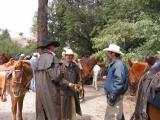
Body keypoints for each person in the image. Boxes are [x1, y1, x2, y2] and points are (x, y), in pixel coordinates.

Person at [35, 38, 75, 120]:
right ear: (50, 47)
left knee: (42, 115)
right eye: (53, 46)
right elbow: (56, 77)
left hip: (40, 92)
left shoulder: (39, 58)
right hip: (50, 91)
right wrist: (61, 73)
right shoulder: (52, 58)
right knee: (54, 115)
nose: (54, 48)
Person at [103, 44, 128, 120]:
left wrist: (113, 95)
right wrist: (108, 78)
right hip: (114, 95)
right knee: (117, 115)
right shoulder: (115, 64)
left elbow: (119, 81)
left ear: (113, 54)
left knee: (112, 117)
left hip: (115, 96)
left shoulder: (118, 64)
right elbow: (116, 78)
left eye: (108, 52)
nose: (107, 54)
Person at [60, 49, 82, 120]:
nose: (69, 57)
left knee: (72, 112)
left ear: (73, 57)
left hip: (72, 92)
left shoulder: (75, 66)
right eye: (68, 55)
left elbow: (78, 78)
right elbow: (58, 79)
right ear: (65, 56)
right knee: (63, 111)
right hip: (63, 92)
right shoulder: (61, 65)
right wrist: (67, 83)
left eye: (71, 56)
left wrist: (78, 85)